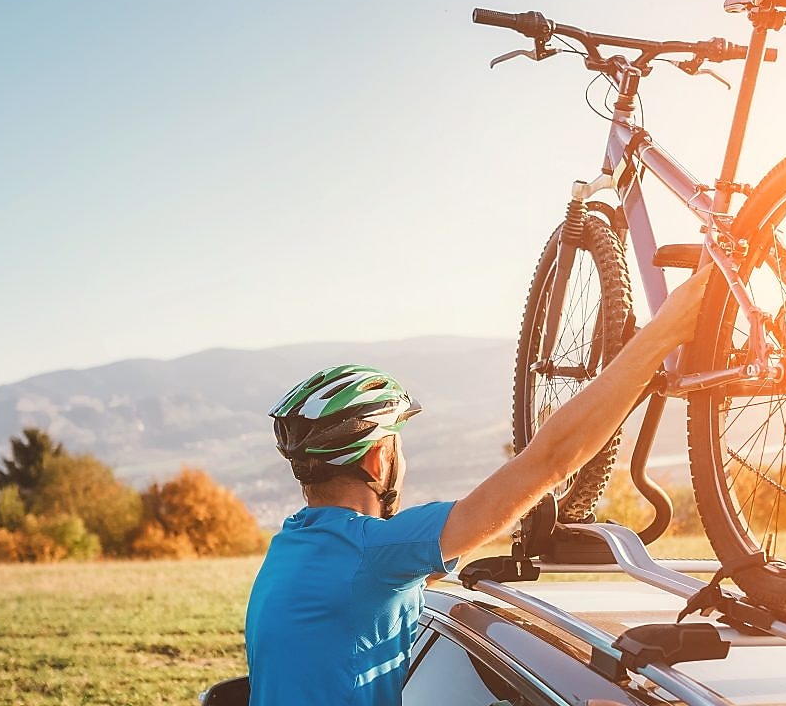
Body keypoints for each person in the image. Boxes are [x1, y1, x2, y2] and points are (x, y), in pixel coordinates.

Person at [244, 266, 712, 706]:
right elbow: (549, 460)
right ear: (378, 457)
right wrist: (664, 332)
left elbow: (396, 591)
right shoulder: (373, 552)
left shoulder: (294, 547)